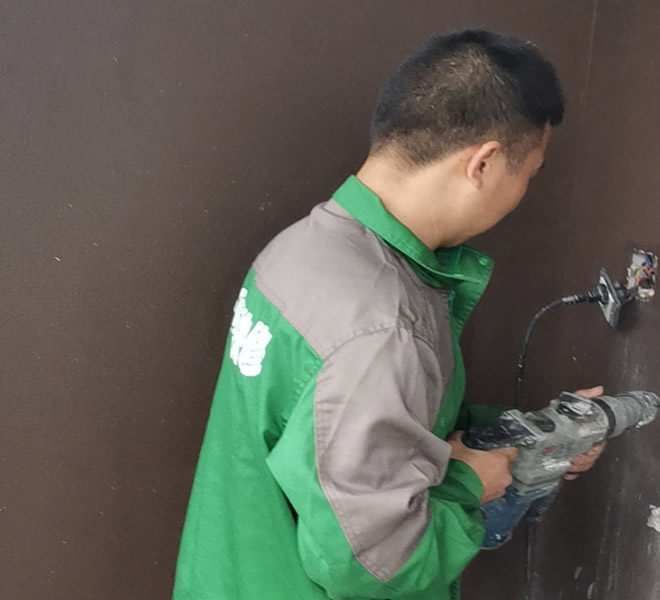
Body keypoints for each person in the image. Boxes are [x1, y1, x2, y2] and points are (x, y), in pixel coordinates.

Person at [173, 28, 604, 600]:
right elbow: (372, 563)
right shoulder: (382, 325)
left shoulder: (303, 249)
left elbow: (369, 420)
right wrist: (466, 484)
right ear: (483, 163)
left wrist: (522, 434)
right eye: (529, 173)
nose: (524, 191)